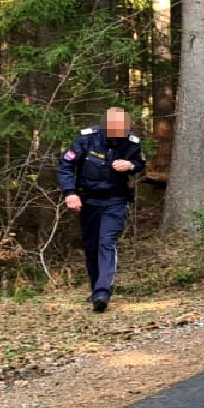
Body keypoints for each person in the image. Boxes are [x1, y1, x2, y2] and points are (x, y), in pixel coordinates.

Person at [58, 106, 144, 313]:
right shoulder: (87, 139)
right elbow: (65, 165)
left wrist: (130, 166)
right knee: (92, 247)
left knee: (107, 242)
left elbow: (139, 163)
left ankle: (103, 292)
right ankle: (96, 289)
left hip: (116, 200)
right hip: (89, 201)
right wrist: (70, 193)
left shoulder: (132, 142)